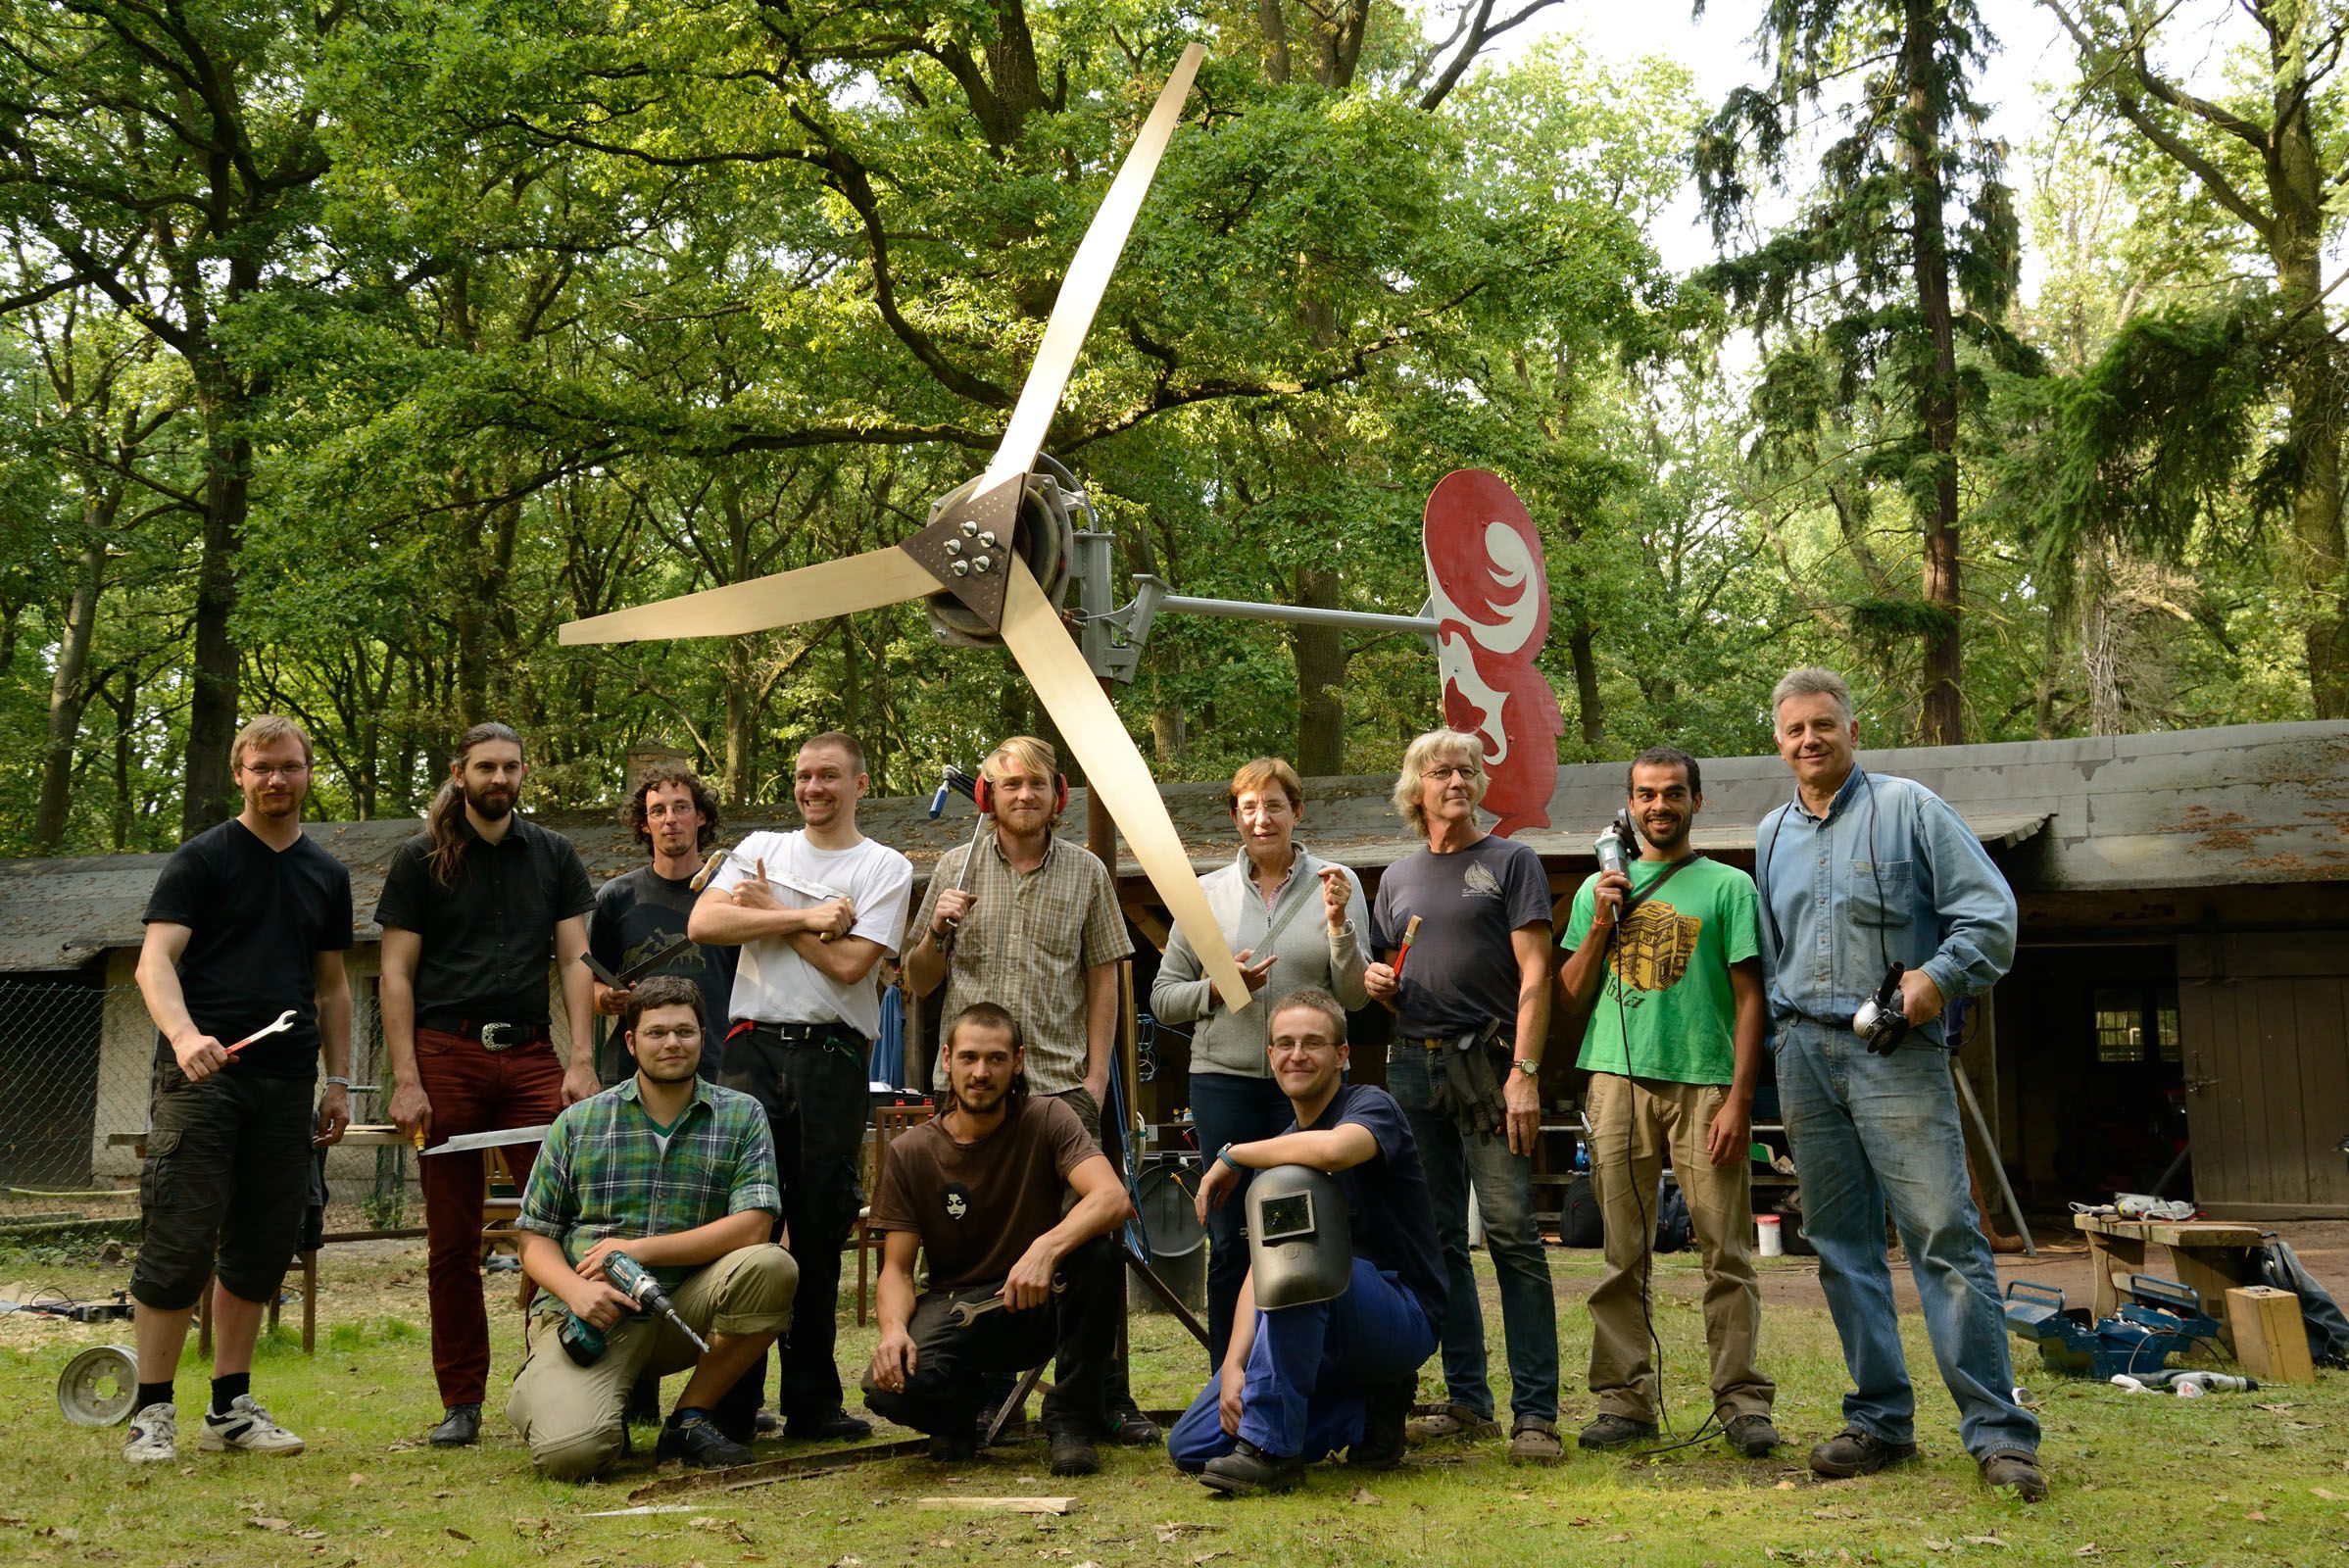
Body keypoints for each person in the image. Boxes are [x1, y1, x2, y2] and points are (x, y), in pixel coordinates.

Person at [1756, 666, 2043, 1501]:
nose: (1808, 740)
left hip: (1896, 1053)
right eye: (1793, 730)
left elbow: (1988, 915)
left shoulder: (1911, 809)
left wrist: (1937, 979)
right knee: (1842, 1247)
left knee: (1942, 1239)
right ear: (1778, 743)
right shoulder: (1771, 833)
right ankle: (1878, 1421)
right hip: (1804, 1056)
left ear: (1851, 730)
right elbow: (1775, 951)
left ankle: (1998, 1434)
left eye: (1822, 725)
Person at [904, 734, 1156, 1446]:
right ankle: (975, 1389)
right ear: (986, 794)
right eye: (1009, 785)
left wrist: (1098, 1075)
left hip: (1057, 1083)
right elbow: (917, 981)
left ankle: (1097, 1397)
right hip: (971, 1094)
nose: (1023, 796)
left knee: (1093, 1245)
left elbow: (1106, 972)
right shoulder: (953, 869)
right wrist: (939, 932)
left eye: (1036, 786)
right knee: (966, 1241)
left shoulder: (1086, 873)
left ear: (1057, 797)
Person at [121, 715, 354, 1463]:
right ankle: (150, 1412)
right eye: (261, 768)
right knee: (179, 1244)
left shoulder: (326, 873)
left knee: (259, 1249)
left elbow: (333, 989)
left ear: (309, 771)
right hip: (202, 1084)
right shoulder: (202, 860)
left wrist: (339, 1081)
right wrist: (187, 1038)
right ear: (239, 774)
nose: (276, 780)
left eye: (288, 766)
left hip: (286, 1089)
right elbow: (154, 961)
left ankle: (231, 1409)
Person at [375, 720, 599, 1447]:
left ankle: (560, 1377)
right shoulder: (419, 860)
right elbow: (396, 972)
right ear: (459, 772)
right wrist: (406, 1077)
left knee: (564, 1224)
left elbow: (575, 962)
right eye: (485, 767)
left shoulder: (555, 856)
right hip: (447, 1056)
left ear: (523, 774)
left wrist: (582, 1059)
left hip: (533, 1055)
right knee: (452, 1239)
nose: (498, 779)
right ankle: (461, 1401)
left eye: (509, 767)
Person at [688, 731, 913, 1443]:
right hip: (752, 1050)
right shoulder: (763, 845)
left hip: (834, 1058)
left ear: (859, 784)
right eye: (802, 777)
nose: (812, 789)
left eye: (828, 777)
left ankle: (813, 1403)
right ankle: (729, 1406)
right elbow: (705, 921)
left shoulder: (885, 867)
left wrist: (771, 920)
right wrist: (802, 914)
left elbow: (852, 969)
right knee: (745, 1225)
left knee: (816, 1227)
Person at [1558, 747, 1778, 1457]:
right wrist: (1599, 920)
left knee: (1726, 1253)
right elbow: (1567, 992)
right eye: (1647, 795)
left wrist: (1740, 1099)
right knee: (1622, 1252)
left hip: (1705, 1083)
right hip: (1615, 1080)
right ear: (1630, 804)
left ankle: (1741, 1401)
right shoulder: (1600, 889)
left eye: (1673, 793)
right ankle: (1624, 1402)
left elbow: (1751, 999)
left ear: (1696, 801)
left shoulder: (1728, 887)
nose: (1660, 806)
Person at [505, 976, 798, 1478]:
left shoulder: (741, 1116)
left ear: (703, 1037)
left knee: (771, 1265)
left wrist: (640, 1250)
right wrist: (575, 1290)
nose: (672, 1044)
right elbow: (534, 1237)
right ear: (631, 1041)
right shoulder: (578, 1123)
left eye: (684, 1032)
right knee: (572, 1457)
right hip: (594, 1314)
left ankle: (689, 1418)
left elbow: (754, 1226)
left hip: (686, 1307)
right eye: (657, 1032)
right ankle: (545, 1386)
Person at [1363, 728, 1560, 1462]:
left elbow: (1535, 976)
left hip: (1490, 1064)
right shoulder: (1396, 878)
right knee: (1436, 1239)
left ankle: (1534, 1414)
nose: (1457, 780)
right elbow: (1394, 976)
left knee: (1511, 1233)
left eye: (1467, 769)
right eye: (1441, 770)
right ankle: (1466, 1398)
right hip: (1413, 1064)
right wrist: (1379, 984)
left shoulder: (1511, 862)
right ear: (1416, 788)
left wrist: (1526, 1073)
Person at [1165, 989, 1442, 1494]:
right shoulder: (1283, 1143)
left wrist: (1233, 1155)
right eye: (1285, 1043)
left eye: (1313, 1043)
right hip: (1309, 1317)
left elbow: (1335, 1150)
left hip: (1397, 1313)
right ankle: (1363, 1414)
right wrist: (1232, 1363)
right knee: (1194, 1445)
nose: (1297, 1054)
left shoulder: (1370, 1105)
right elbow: (1262, 1265)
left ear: (1342, 1055)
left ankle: (1273, 1451)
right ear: (1270, 1057)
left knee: (1303, 1264)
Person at [1150, 758, 1369, 1369]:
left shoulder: (1337, 882)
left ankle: (1316, 1372)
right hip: (1224, 1082)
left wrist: (1338, 928)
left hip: (1308, 1088)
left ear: (1298, 812)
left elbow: (1354, 998)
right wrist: (1217, 989)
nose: (1262, 818)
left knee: (1312, 1229)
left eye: (1274, 805)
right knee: (1229, 1240)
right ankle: (1229, 1380)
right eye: (1249, 808)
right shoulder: (1205, 895)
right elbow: (1163, 998)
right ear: (1235, 818)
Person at [861, 1003, 1133, 1478]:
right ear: (946, 1060)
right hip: (959, 1308)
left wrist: (1045, 1249)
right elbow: (897, 1270)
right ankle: (963, 1414)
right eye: (968, 1058)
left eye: (995, 1059)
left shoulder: (1048, 1118)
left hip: (1041, 1301)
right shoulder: (911, 1152)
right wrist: (893, 1333)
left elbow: (1112, 1198)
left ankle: (1071, 1420)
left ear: (1019, 1061)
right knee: (888, 1386)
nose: (980, 1073)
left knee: (1099, 1256)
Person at [588, 764, 737, 1084]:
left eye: (681, 807)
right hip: (631, 1072)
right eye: (658, 810)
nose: (670, 818)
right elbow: (586, 983)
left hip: (717, 1066)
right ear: (645, 824)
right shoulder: (617, 897)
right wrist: (605, 999)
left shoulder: (730, 894)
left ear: (701, 817)